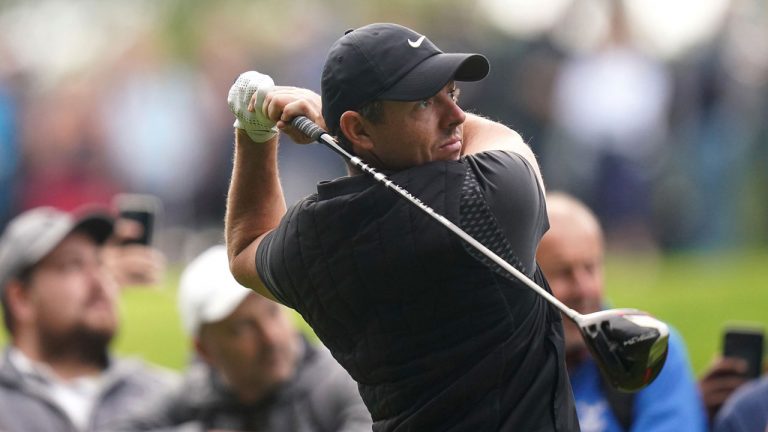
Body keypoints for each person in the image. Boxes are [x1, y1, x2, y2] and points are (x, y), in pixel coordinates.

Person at [225, 22, 579, 431]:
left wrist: (253, 127)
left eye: (452, 92)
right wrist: (330, 115)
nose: (456, 115)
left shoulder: (314, 238)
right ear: (359, 129)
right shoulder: (489, 199)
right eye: (424, 103)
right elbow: (502, 138)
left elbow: (245, 246)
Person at [108, 244, 373, 431]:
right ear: (205, 351)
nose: (270, 338)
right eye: (243, 327)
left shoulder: (348, 381)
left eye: (273, 312)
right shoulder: (198, 392)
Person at [536, 192, 707, 432]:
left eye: (591, 267)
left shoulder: (647, 349)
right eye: (564, 272)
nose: (585, 288)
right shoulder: (499, 366)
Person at [0, 206, 178, 432]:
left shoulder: (166, 398)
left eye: (101, 264)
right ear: (21, 298)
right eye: (72, 265)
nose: (99, 279)